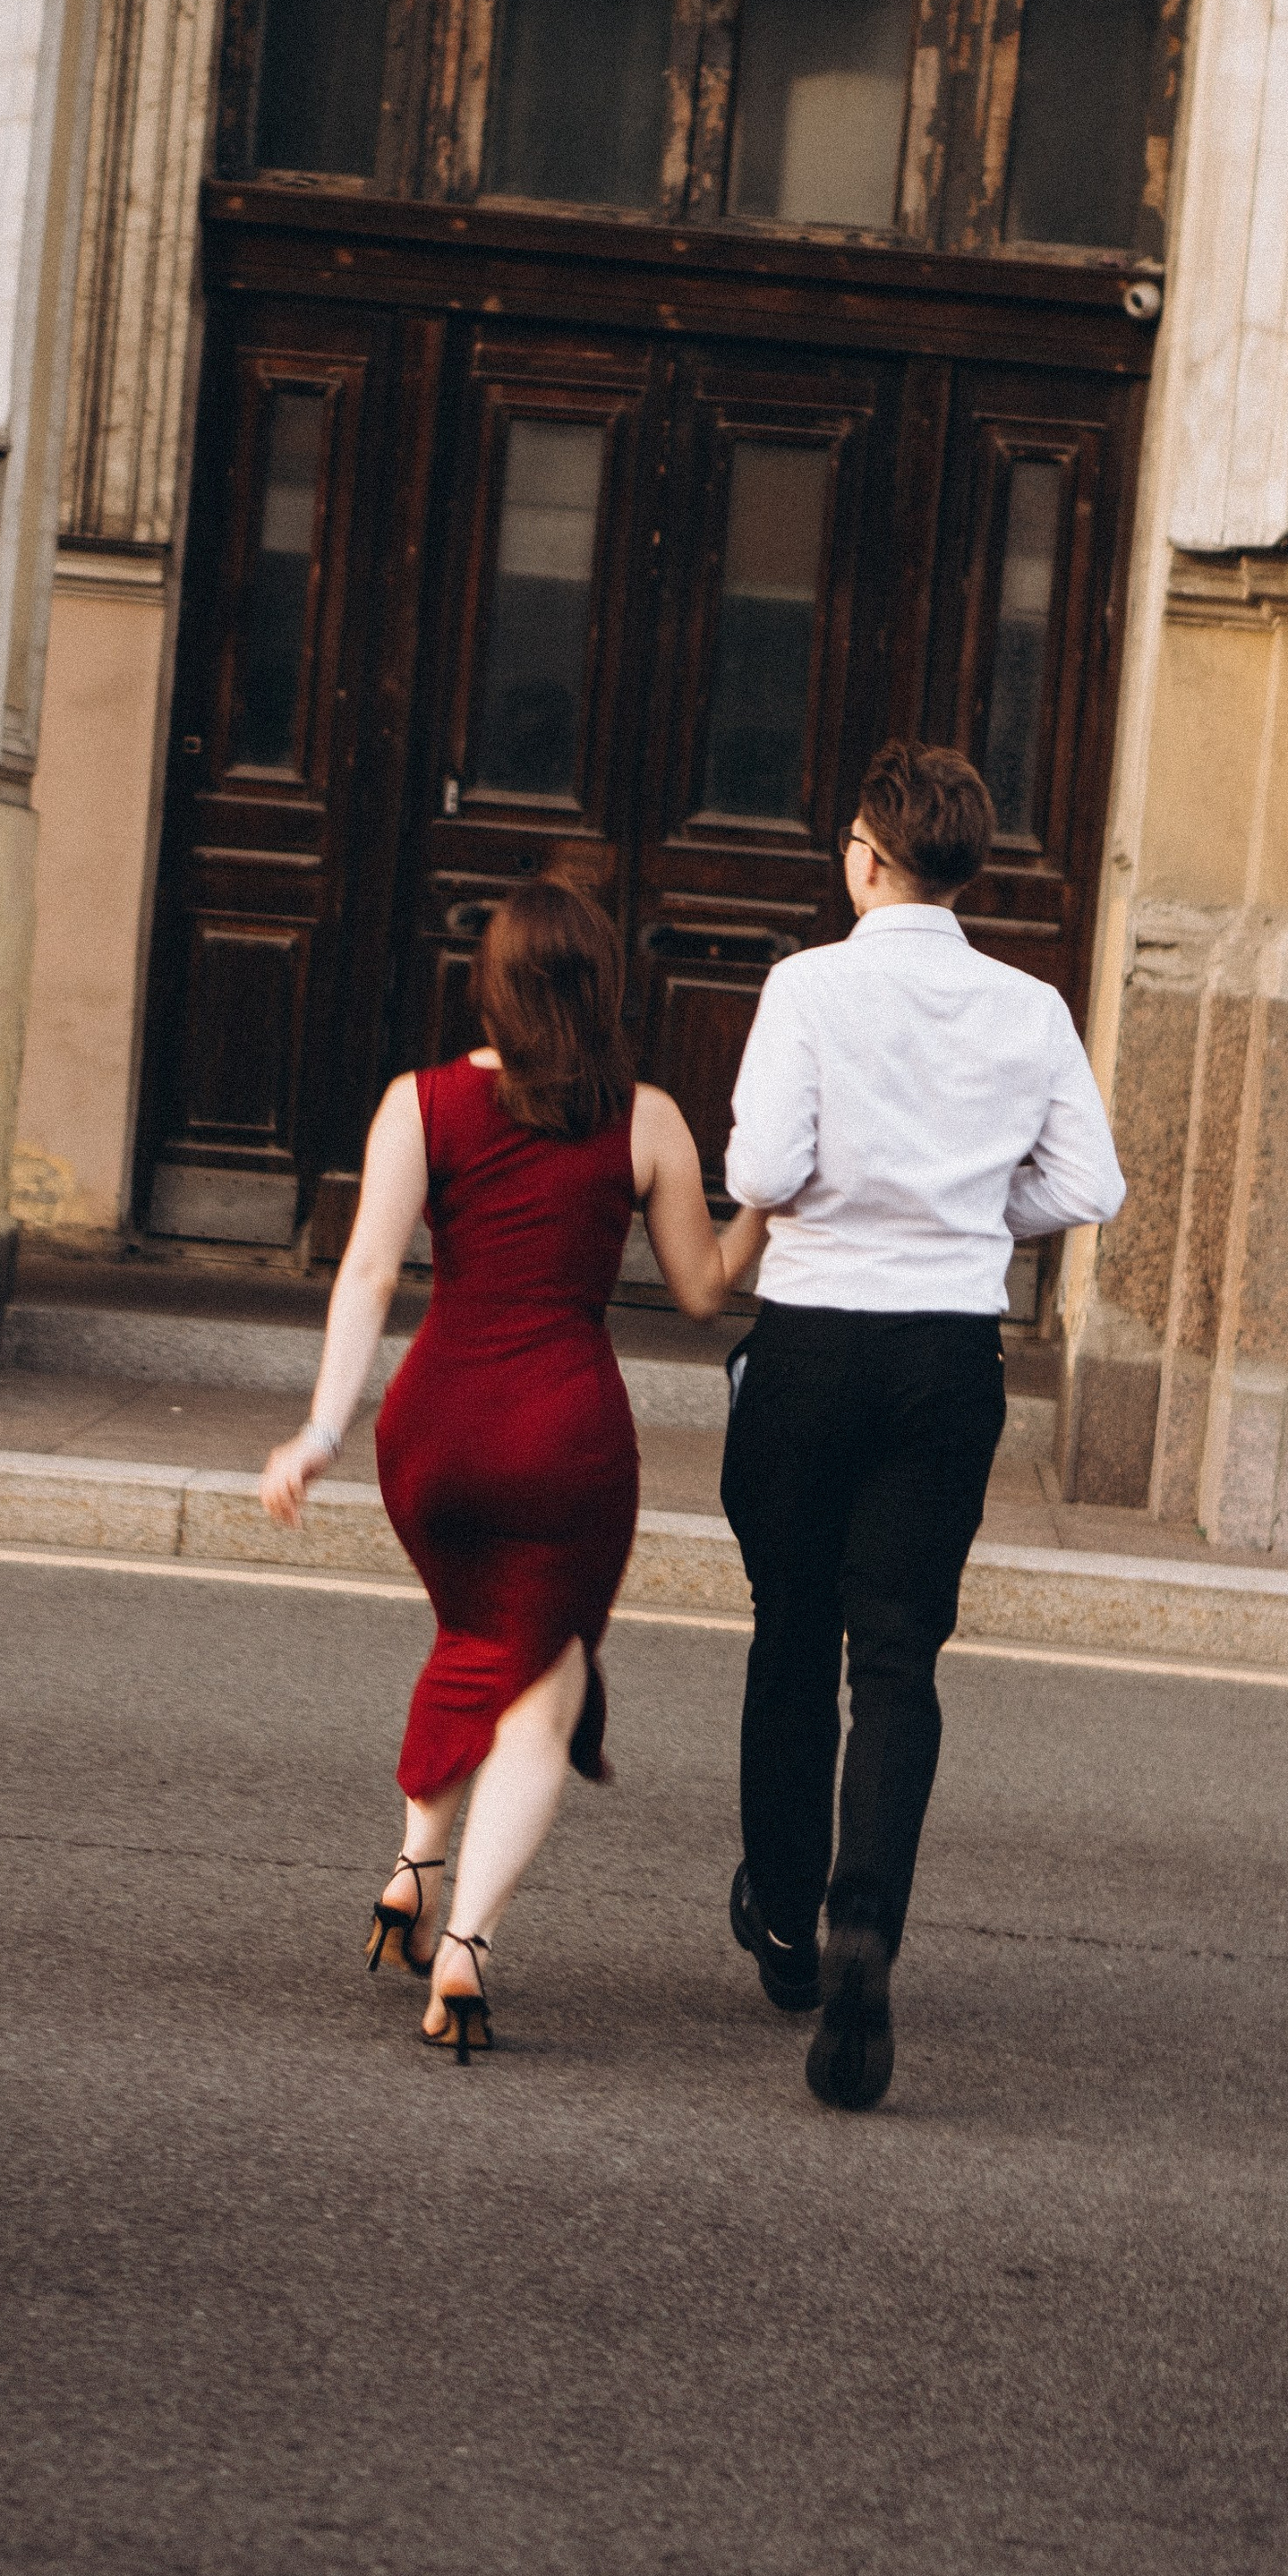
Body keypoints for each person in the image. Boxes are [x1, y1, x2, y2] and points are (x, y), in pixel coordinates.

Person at [260, 877, 763, 2060]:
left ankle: (412, 1874)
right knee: (545, 1685)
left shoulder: (417, 1104)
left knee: (472, 1637)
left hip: (432, 1436)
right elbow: (702, 1288)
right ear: (604, 991)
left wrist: (322, 1432)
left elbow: (370, 1277)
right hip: (564, 1439)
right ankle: (468, 1951)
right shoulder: (645, 1121)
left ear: (489, 983)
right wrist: (775, 1204)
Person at [720, 741, 1126, 2111]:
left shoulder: (809, 985)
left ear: (867, 855)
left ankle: (782, 1924)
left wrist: (858, 1202)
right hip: (948, 1354)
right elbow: (1089, 1184)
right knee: (897, 1658)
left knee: (790, 1629)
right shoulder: (1032, 1006)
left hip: (816, 1338)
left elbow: (765, 1169)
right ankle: (864, 1927)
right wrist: (964, 1216)